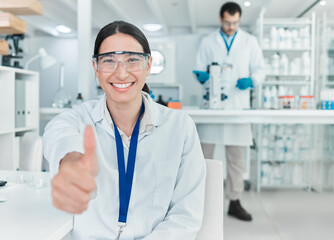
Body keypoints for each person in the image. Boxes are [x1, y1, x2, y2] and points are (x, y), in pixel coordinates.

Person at [43, 21, 206, 239]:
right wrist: (71, 159)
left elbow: (185, 217)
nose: (121, 73)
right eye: (109, 60)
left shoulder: (180, 127)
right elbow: (57, 131)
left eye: (132, 60)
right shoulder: (79, 119)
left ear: (148, 65)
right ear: (96, 68)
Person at [195, 2, 265, 221]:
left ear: (239, 20)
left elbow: (260, 70)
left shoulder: (249, 42)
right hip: (213, 106)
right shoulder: (208, 42)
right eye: (227, 22)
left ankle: (234, 202)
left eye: (235, 23)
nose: (231, 26)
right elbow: (198, 68)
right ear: (220, 19)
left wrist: (251, 81)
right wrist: (203, 78)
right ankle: (201, 201)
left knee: (236, 159)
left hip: (237, 106)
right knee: (204, 156)